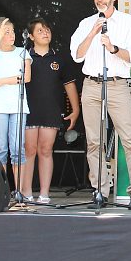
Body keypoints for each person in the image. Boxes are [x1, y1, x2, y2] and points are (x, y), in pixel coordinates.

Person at [70, 0, 131, 211]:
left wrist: (113, 48)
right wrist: (92, 33)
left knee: (129, 138)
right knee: (94, 141)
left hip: (116, 84)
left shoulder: (129, 22)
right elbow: (76, 55)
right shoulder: (86, 23)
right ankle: (100, 191)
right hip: (91, 84)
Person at [23, 18, 80, 204]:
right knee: (29, 150)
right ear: (31, 36)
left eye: (47, 29)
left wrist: (75, 109)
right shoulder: (24, 57)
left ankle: (44, 194)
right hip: (28, 110)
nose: (45, 32)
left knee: (46, 150)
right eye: (39, 30)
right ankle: (26, 192)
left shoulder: (59, 59)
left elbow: (69, 85)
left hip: (51, 111)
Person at [0, 17, 32, 196]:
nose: (11, 35)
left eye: (12, 31)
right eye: (6, 32)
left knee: (18, 149)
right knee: (0, 149)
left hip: (18, 106)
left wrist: (1, 81)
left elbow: (26, 77)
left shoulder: (22, 52)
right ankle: (2, 191)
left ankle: (19, 191)